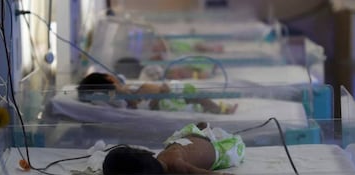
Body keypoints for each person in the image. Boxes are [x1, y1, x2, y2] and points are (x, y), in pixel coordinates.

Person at [102, 122, 245, 175]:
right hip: (220, 150)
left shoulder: (164, 158)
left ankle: (205, 132)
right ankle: (207, 132)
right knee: (236, 146)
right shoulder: (176, 165)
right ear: (145, 154)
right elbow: (198, 173)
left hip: (194, 139)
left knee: (196, 129)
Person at [77, 72, 237, 114]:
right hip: (159, 102)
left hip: (162, 95)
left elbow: (121, 79)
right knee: (195, 100)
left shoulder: (121, 86)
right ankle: (219, 109)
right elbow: (126, 102)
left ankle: (217, 107)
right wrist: (117, 88)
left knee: (192, 93)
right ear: (108, 79)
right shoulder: (116, 95)